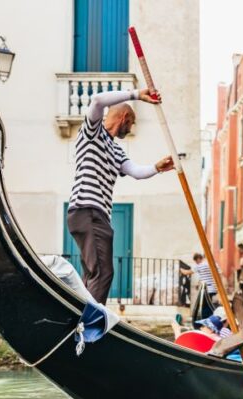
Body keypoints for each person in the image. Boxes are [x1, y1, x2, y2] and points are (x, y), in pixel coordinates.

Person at [66, 86, 175, 304]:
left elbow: (135, 171)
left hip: (93, 216)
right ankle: (91, 327)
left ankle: (81, 319)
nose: (131, 128)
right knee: (103, 272)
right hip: (88, 210)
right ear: (124, 117)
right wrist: (136, 95)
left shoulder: (116, 151)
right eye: (131, 123)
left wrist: (157, 167)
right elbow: (97, 100)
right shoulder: (92, 133)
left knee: (92, 273)